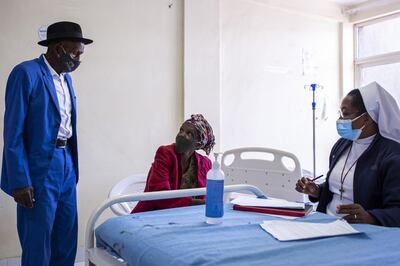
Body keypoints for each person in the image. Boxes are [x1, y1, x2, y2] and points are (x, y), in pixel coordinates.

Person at [1, 21, 93, 265]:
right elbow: (13, 132)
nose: (79, 59)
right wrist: (20, 180)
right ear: (59, 48)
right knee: (38, 239)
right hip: (39, 166)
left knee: (66, 238)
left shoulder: (66, 78)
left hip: (66, 164)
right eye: (76, 53)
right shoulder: (26, 73)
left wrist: (71, 169)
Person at [296, 82, 400, 227]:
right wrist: (317, 190)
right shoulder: (342, 144)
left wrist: (370, 217)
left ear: (367, 118)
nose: (340, 120)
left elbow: (397, 210)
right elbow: (340, 186)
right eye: (340, 113)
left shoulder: (392, 156)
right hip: (326, 223)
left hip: (361, 231)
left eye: (345, 113)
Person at [132, 114, 215, 213]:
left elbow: (207, 196)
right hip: (153, 213)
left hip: (188, 216)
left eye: (189, 134)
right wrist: (198, 203)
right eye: (181, 130)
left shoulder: (205, 163)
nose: (182, 135)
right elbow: (160, 196)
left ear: (198, 144)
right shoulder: (165, 153)